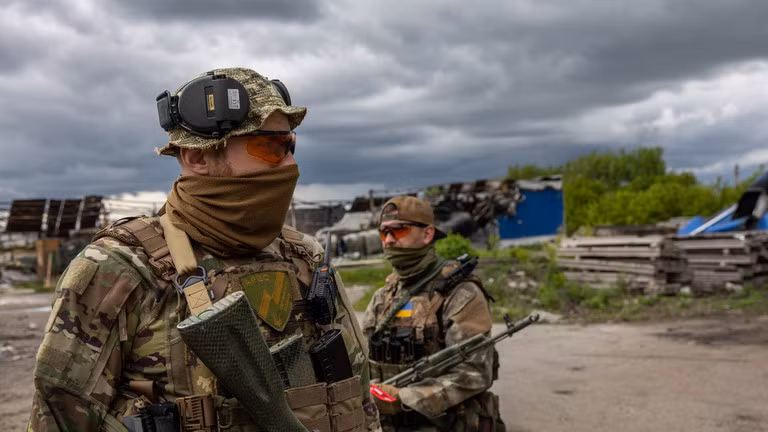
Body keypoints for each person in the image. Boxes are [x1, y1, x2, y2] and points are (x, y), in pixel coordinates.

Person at [28, 67, 380, 432]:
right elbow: (60, 415)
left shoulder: (305, 256)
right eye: (270, 147)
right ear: (197, 157)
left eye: (289, 145)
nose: (290, 163)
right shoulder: (120, 269)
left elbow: (358, 398)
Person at [361, 196, 503, 432]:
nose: (388, 241)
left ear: (427, 234)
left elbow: (475, 371)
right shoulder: (383, 296)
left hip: (445, 423)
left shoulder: (460, 293)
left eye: (399, 231)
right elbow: (364, 361)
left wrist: (404, 398)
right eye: (383, 233)